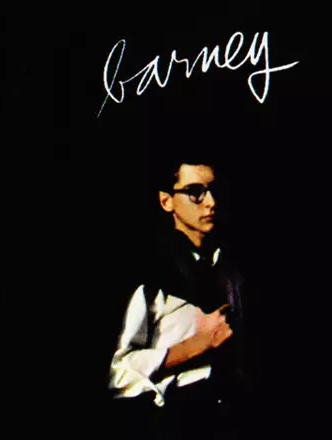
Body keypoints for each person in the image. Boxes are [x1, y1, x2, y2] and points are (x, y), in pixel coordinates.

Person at [108, 153, 253, 440]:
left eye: (213, 190)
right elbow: (118, 372)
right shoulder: (151, 276)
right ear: (167, 201)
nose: (210, 202)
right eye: (195, 192)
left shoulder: (230, 272)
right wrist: (196, 345)